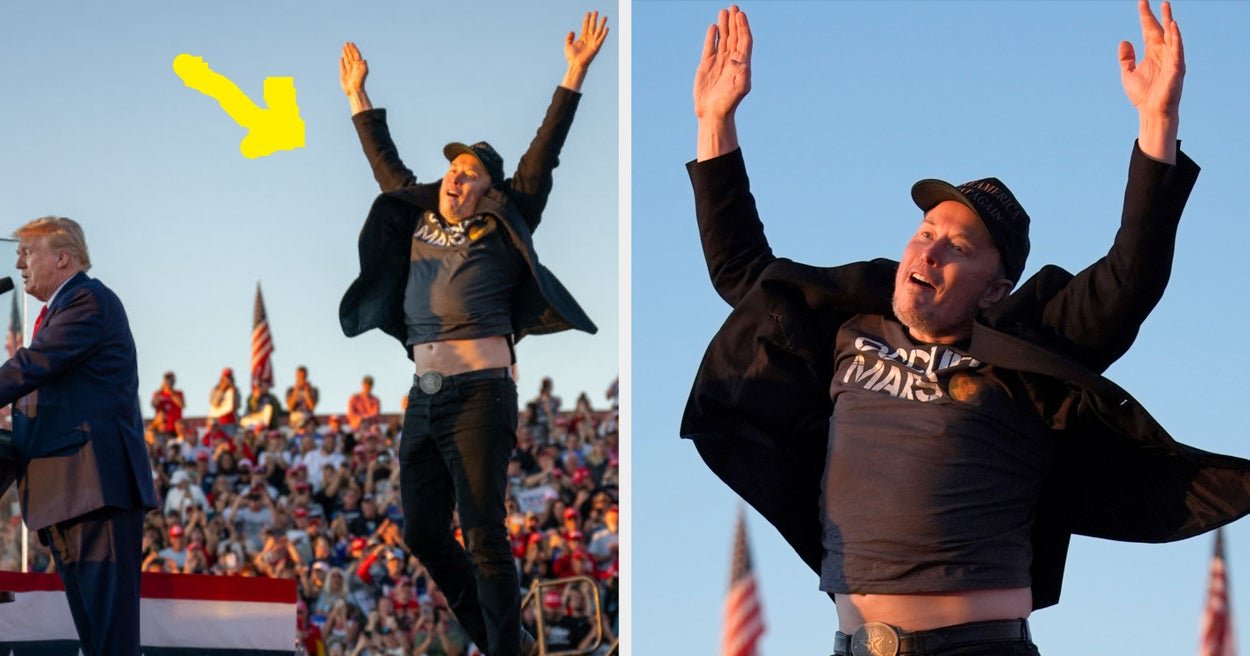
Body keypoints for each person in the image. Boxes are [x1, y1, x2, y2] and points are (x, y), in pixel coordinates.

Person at [685, 3, 1250, 655]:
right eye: (926, 233)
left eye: (958, 245)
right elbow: (743, 270)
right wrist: (715, 120)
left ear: (995, 288)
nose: (930, 251)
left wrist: (1158, 123)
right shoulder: (852, 324)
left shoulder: (1024, 347)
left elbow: (1130, 279)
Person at [337, 11, 608, 656]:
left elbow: (547, 150)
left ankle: (505, 651)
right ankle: (496, 637)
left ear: (488, 188)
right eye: (452, 170)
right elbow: (385, 162)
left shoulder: (505, 219)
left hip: (481, 393)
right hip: (423, 397)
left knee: (483, 531)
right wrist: (357, 97)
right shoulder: (417, 212)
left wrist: (574, 72)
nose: (455, 178)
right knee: (423, 533)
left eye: (469, 173)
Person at [0, 216, 158, 654]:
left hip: (94, 491)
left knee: (111, 641)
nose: (18, 263)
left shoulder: (88, 301)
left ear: (63, 258)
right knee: (96, 639)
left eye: (27, 252)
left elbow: (34, 366)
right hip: (66, 495)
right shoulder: (61, 312)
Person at [150, 370, 186, 439]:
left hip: (175, 429)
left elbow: (182, 405)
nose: (169, 382)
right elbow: (153, 404)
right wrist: (162, 390)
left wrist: (171, 392)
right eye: (167, 379)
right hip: (161, 428)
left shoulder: (178, 393)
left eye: (171, 379)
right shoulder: (158, 393)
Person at [286, 364, 320, 429]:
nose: (302, 378)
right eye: (299, 376)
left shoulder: (313, 390)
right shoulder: (290, 390)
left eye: (303, 376)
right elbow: (290, 407)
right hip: (296, 417)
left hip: (308, 417)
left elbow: (312, 407)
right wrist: (296, 392)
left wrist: (307, 392)